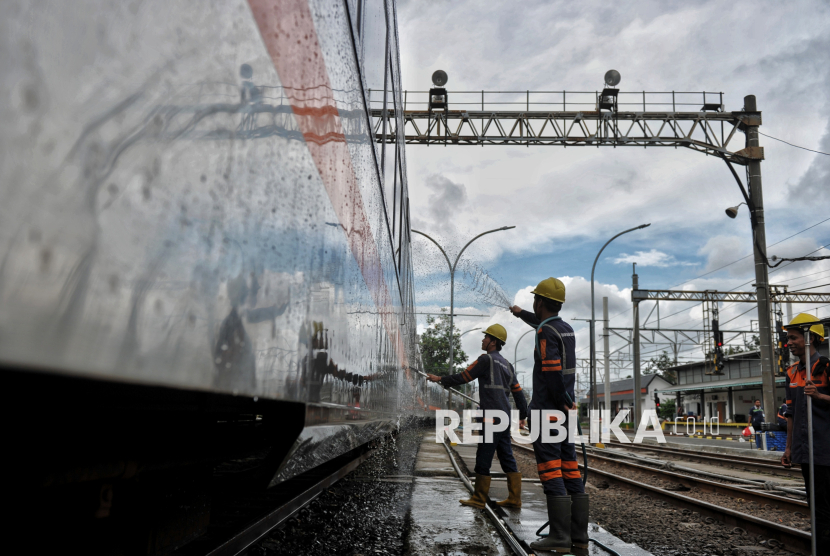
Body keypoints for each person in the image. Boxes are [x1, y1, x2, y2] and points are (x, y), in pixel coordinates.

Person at [509, 277, 588, 555]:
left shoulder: (545, 333)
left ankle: (558, 537)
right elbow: (543, 324)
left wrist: (560, 400)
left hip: (548, 411)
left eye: (534, 300)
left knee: (550, 469)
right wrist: (521, 315)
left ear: (539, 301)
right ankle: (578, 536)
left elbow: (552, 371)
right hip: (565, 414)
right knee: (569, 468)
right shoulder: (564, 328)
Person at [427, 324, 528, 509]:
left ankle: (479, 498)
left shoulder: (485, 360)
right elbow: (518, 393)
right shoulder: (508, 365)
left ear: (493, 342)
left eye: (486, 337)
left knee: (484, 456)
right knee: (506, 456)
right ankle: (515, 498)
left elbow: (464, 377)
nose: (483, 340)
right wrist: (523, 414)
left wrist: (440, 379)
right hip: (505, 416)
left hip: (491, 416)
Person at [781, 313, 830, 554]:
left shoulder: (826, 367)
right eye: (787, 338)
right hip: (805, 449)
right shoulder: (791, 373)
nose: (788, 342)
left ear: (811, 338)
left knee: (825, 507)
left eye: (793, 338)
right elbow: (790, 413)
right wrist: (789, 448)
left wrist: (820, 396)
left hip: (826, 448)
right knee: (815, 504)